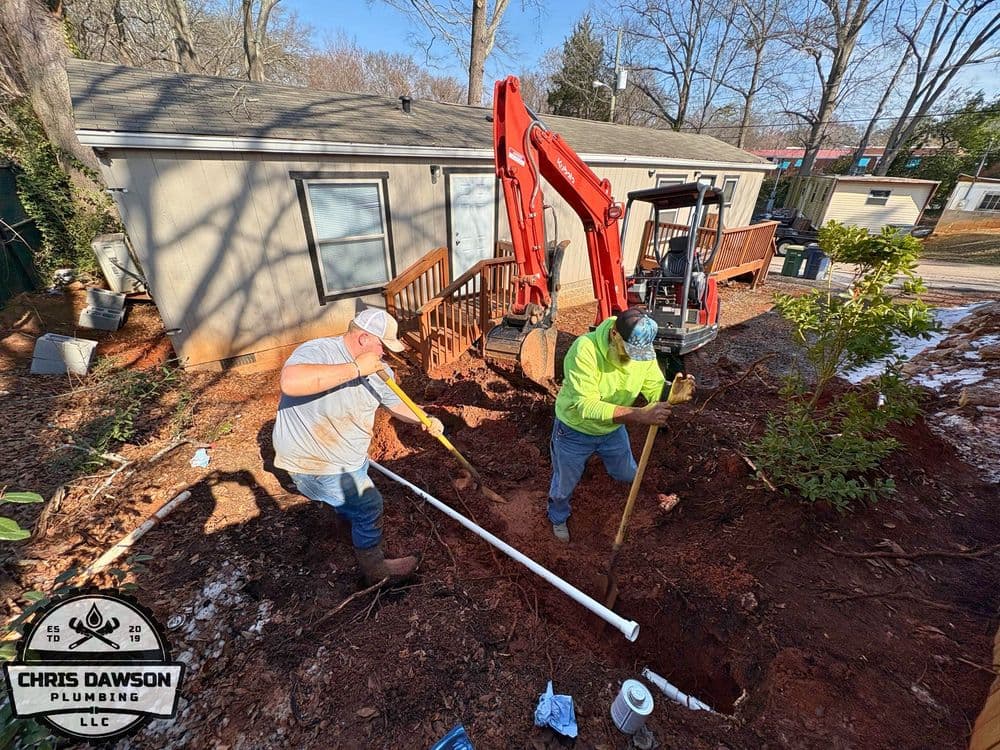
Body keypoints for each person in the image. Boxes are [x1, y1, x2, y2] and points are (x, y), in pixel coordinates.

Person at [272, 307, 444, 584]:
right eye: (382, 345)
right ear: (364, 338)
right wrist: (355, 369)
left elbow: (394, 402)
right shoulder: (318, 352)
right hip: (314, 462)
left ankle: (342, 531)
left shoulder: (377, 368)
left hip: (349, 454)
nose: (385, 353)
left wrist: (424, 418)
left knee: (351, 496)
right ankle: (375, 571)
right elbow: (291, 382)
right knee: (368, 505)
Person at [547, 308, 672, 542]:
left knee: (627, 473)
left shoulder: (642, 347)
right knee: (564, 483)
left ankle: (630, 501)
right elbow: (587, 406)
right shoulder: (585, 350)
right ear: (615, 334)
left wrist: (672, 391)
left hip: (613, 430)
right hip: (575, 430)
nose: (635, 358)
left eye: (640, 354)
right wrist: (639, 415)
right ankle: (557, 516)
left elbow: (653, 386)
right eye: (630, 352)